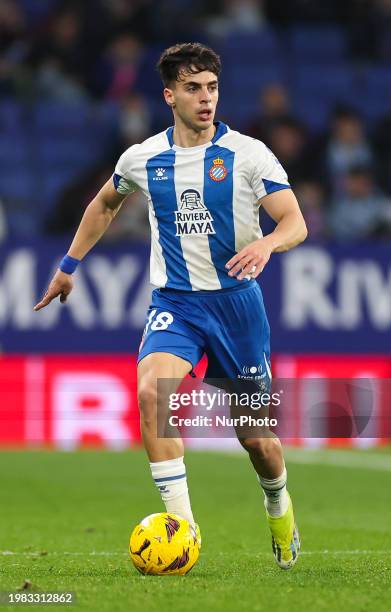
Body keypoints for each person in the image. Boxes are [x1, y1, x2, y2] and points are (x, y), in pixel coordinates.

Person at [34, 42, 307, 570]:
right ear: (169, 95)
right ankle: (184, 532)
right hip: (176, 305)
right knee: (149, 393)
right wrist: (68, 266)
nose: (205, 99)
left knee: (257, 441)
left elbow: (295, 221)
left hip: (237, 309)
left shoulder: (248, 155)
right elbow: (104, 203)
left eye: (212, 88)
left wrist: (268, 243)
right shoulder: (142, 158)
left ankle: (277, 502)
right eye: (192, 88)